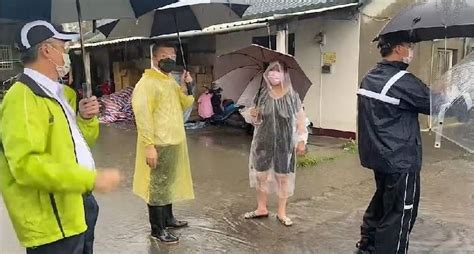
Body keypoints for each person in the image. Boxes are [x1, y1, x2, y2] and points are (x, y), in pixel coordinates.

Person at [0, 20, 121, 254]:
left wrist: (86, 119)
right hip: (52, 224)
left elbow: (76, 147)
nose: (65, 54)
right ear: (47, 50)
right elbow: (26, 166)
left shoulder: (61, 93)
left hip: (77, 205)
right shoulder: (22, 99)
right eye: (63, 47)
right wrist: (90, 179)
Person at [355, 31, 430, 254]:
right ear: (398, 48)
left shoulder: (370, 76)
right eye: (409, 46)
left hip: (379, 158)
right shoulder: (403, 81)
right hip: (401, 161)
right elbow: (434, 103)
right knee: (399, 214)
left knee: (381, 205)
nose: (411, 51)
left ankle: (367, 248)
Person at [132, 42, 195, 244]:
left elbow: (184, 103)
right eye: (165, 55)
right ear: (154, 58)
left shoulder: (169, 81)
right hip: (159, 143)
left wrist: (188, 86)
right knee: (157, 187)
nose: (170, 59)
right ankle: (157, 229)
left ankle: (168, 219)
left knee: (167, 184)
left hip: (175, 141)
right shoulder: (146, 84)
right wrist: (149, 145)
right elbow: (142, 117)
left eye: (173, 55)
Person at [242, 61, 308, 227]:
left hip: (284, 143)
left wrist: (301, 141)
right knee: (260, 175)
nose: (274, 74)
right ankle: (261, 208)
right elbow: (254, 120)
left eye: (277, 71)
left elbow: (301, 121)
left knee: (282, 177)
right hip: (263, 141)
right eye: (271, 70)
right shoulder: (262, 94)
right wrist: (253, 114)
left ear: (285, 74)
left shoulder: (292, 96)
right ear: (266, 74)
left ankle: (282, 212)